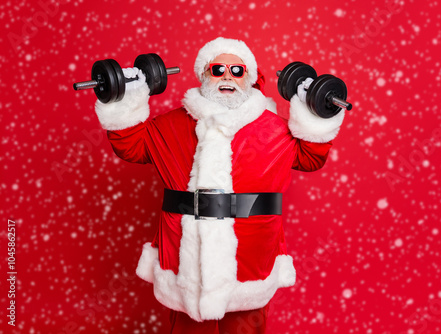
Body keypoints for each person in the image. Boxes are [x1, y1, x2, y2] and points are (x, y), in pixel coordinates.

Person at [94, 37, 345, 333]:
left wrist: (315, 112)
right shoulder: (171, 124)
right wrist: (125, 97)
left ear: (249, 78)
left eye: (237, 71)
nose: (228, 76)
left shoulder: (276, 128)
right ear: (203, 75)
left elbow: (310, 158)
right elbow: (131, 146)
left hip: (251, 257)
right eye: (218, 69)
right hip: (184, 255)